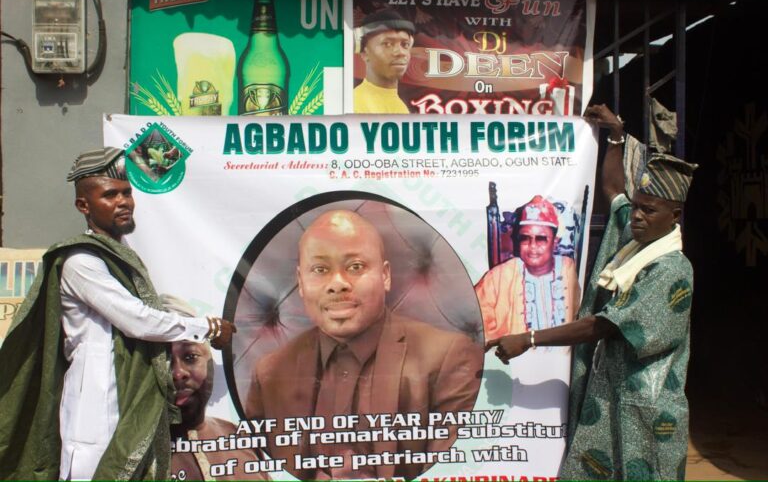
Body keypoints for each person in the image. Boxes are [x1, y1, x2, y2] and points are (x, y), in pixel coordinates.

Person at [486, 104, 697, 480]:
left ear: (675, 216)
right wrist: (615, 136)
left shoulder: (670, 270)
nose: (636, 217)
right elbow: (614, 190)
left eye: (649, 211)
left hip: (647, 415)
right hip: (607, 404)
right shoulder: (634, 242)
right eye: (637, 209)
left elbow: (603, 326)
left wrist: (530, 338)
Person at [0, 148, 236, 481]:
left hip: (129, 391)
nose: (123, 201)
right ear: (84, 206)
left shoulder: (120, 255)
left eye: (126, 193)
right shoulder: (82, 262)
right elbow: (136, 318)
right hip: (93, 396)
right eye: (110, 195)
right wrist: (206, 327)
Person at [244, 209, 483, 480]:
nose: (337, 284)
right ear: (301, 282)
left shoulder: (448, 358)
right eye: (320, 270)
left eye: (355, 267)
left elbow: (454, 473)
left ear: (385, 276)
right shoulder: (270, 373)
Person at [167, 297, 268, 481]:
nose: (178, 373)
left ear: (210, 362)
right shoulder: (134, 453)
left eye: (190, 357)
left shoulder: (239, 437)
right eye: (164, 361)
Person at [474, 195, 581, 340]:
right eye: (525, 238)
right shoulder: (498, 277)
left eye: (541, 239)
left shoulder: (569, 270)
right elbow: (472, 320)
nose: (532, 247)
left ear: (555, 242)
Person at [353, 9, 415, 114]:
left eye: (405, 45)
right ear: (364, 53)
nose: (400, 52)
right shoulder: (356, 103)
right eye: (387, 44)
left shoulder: (399, 104)